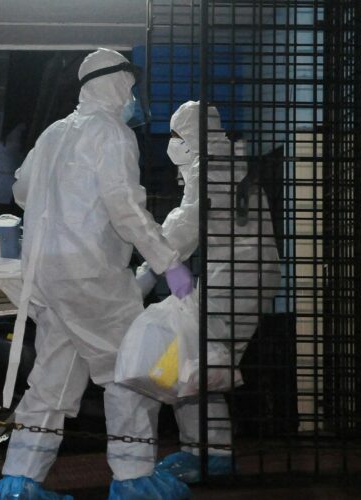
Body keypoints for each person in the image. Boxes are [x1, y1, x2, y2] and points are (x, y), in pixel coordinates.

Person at [0, 48, 193, 500]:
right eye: (130, 86)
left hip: (46, 277)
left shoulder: (53, 134)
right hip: (93, 277)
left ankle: (19, 482)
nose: (134, 96)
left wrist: (59, 197)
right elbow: (126, 210)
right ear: (116, 83)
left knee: (51, 381)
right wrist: (169, 263)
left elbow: (21, 190)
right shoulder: (113, 134)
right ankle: (134, 478)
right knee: (128, 375)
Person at [134, 101, 280, 483]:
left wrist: (150, 268)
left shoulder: (212, 168)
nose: (171, 143)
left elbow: (187, 223)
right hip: (239, 274)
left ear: (191, 137)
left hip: (237, 276)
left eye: (176, 135)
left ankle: (211, 454)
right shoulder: (224, 163)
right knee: (197, 363)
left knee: (191, 363)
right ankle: (201, 451)